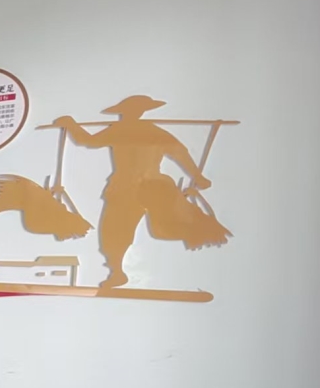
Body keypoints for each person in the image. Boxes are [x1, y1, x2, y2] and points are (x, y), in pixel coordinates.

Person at [53, 96, 229, 289]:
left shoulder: (127, 130)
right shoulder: (140, 131)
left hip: (145, 188)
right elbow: (89, 141)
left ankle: (118, 271)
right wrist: (70, 125)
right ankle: (117, 272)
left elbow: (179, 152)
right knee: (116, 231)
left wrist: (70, 124)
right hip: (137, 188)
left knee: (129, 229)